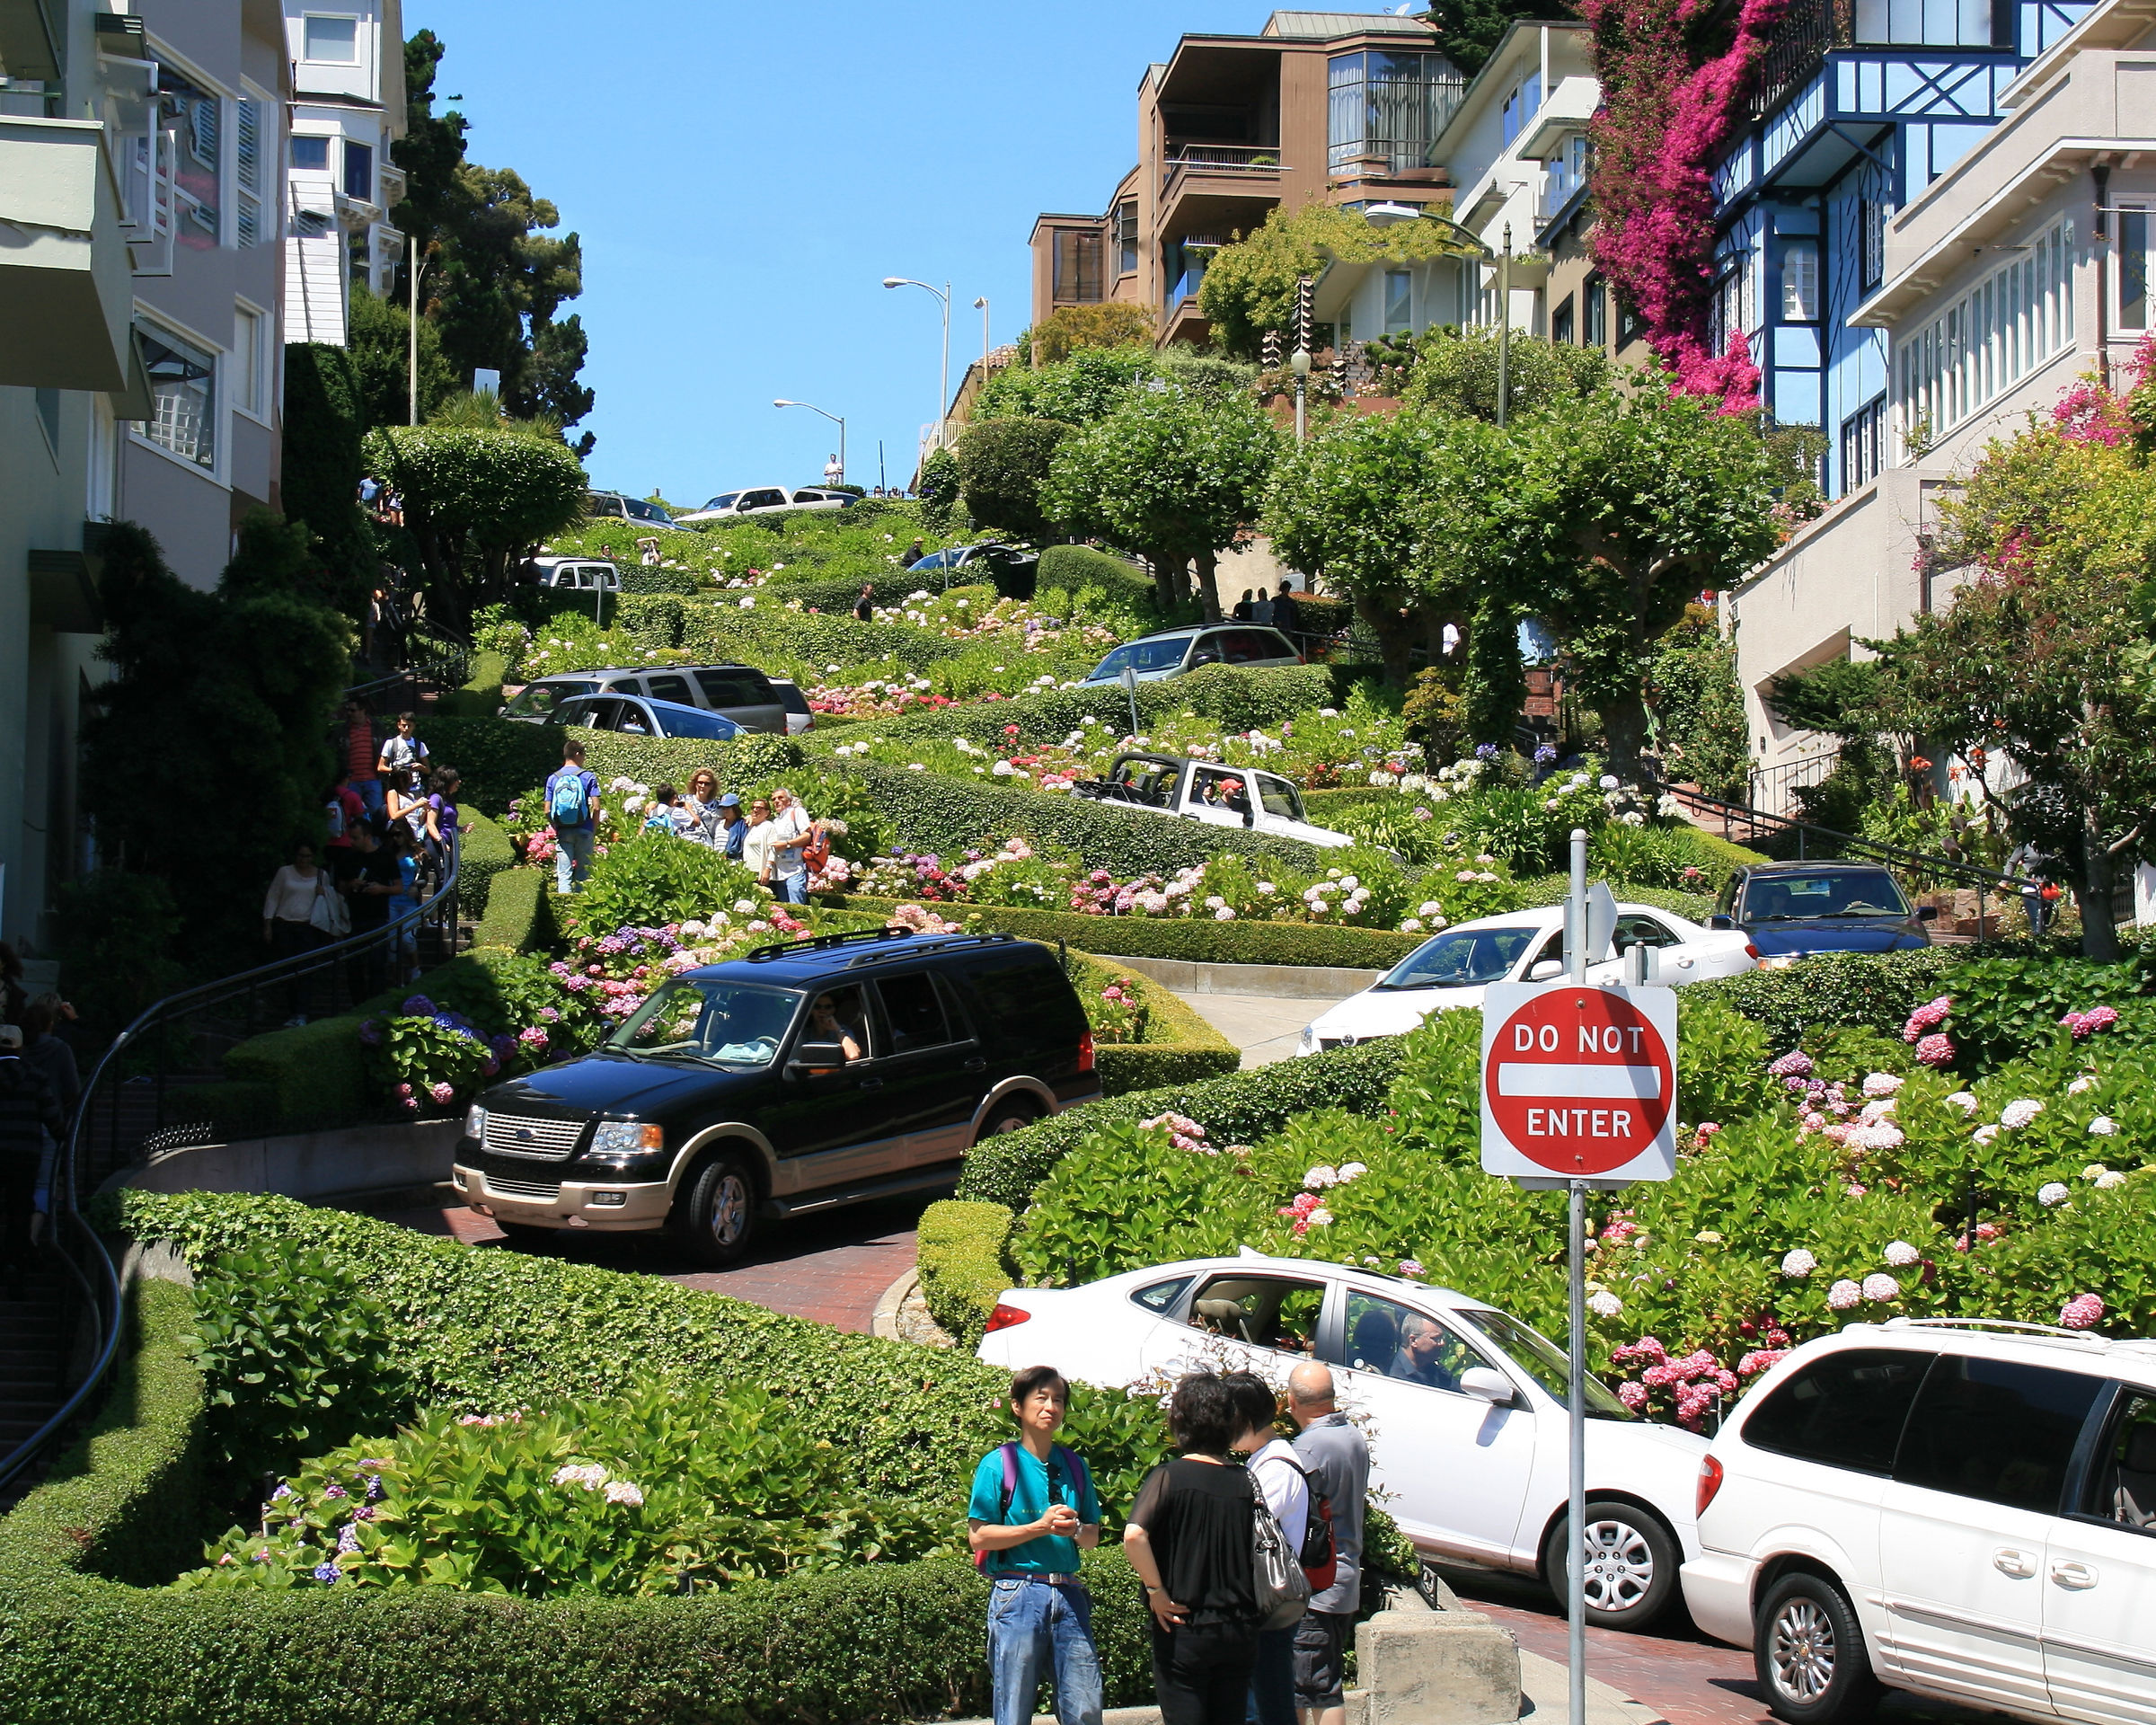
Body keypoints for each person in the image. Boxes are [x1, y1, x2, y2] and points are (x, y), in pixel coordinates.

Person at [968, 1365, 1106, 1725]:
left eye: (1058, 1400)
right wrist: (1039, 1527)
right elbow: (979, 1536)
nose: (1051, 1407)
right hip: (1017, 1593)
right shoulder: (998, 1465)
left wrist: (1073, 1530)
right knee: (1013, 1708)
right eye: (1041, 1398)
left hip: (1069, 1592)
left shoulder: (1075, 1465)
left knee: (1086, 1706)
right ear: (1017, 1406)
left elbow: (1091, 1537)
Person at [1124, 1372, 1262, 1725]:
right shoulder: (1245, 1480)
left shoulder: (1170, 1477)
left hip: (1185, 1625)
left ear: (1180, 1421)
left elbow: (1135, 1534)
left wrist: (1156, 1590)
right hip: (1238, 1627)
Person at [1287, 1363, 1366, 1725]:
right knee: (1324, 1681)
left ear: (1291, 1402)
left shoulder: (1308, 1448)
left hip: (1318, 1585)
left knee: (1312, 1691)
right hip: (1345, 1579)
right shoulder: (1351, 1436)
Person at [1227, 1375, 1309, 1725]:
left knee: (1265, 1707)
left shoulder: (1275, 1468)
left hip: (1269, 1604)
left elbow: (1247, 1530)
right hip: (1262, 1604)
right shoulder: (1263, 1460)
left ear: (1243, 1418)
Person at [0, 1025, 62, 1296]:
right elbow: (52, 1118)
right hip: (25, 1153)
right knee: (19, 1209)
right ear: (20, 1048)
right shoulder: (36, 1077)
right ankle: (15, 1264)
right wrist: (64, 1135)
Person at [261, 840, 330, 1026]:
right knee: (288, 970)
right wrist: (268, 923)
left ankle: (302, 1013)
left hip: (308, 927)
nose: (304, 860)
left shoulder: (321, 875)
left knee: (305, 970)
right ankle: (292, 1011)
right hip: (285, 925)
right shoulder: (285, 872)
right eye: (301, 856)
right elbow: (273, 897)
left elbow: (329, 901)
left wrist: (323, 893)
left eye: (307, 856)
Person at [546, 741, 602, 896]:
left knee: (564, 874)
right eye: (583, 755)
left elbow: (547, 810)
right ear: (578, 754)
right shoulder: (587, 776)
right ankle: (581, 914)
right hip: (585, 829)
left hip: (564, 831)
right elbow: (596, 807)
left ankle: (564, 909)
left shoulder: (553, 778)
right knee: (583, 874)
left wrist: (556, 826)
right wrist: (593, 828)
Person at [766, 786, 815, 905]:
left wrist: (787, 844)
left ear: (789, 800)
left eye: (780, 798)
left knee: (797, 909)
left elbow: (807, 836)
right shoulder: (776, 821)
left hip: (795, 871)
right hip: (779, 874)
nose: (776, 801)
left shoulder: (797, 812)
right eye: (774, 799)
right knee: (786, 913)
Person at [1390, 1312, 1458, 1390]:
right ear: (1413, 1341)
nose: (1442, 1343)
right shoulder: (1397, 1379)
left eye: (1442, 1338)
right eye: (1435, 1338)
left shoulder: (1431, 1366)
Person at [342, 703, 383, 818]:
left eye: (353, 710)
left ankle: (374, 836)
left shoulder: (377, 727)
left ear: (363, 710)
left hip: (373, 779)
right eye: (348, 710)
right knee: (352, 815)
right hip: (352, 781)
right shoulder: (344, 730)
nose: (349, 713)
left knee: (376, 814)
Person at [376, 711, 429, 784]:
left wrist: (421, 767)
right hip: (396, 786)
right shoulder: (391, 743)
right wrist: (397, 771)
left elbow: (428, 770)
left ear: (414, 726)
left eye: (409, 726)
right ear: (399, 725)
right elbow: (380, 767)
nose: (406, 728)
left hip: (415, 786)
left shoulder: (420, 745)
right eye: (404, 725)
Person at [677, 770, 724, 846]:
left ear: (712, 786)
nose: (702, 786)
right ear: (695, 783)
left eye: (707, 784)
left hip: (707, 848)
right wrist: (652, 804)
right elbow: (664, 807)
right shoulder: (682, 800)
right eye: (700, 782)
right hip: (685, 845)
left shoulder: (719, 806)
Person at [740, 796, 778, 886]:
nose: (755, 810)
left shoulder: (769, 827)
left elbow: (773, 850)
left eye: (759, 808)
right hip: (748, 872)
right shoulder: (750, 827)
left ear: (767, 812)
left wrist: (767, 869)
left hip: (760, 873)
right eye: (753, 807)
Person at [716, 792, 747, 860]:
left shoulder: (743, 825)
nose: (725, 811)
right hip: (718, 861)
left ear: (735, 808)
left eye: (728, 808)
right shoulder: (719, 824)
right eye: (723, 808)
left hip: (735, 862)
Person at [1269, 582, 1301, 648]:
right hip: (1277, 626)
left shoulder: (1291, 602)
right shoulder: (1275, 600)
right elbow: (1270, 613)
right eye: (1286, 589)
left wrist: (1293, 628)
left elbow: (1294, 616)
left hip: (1288, 627)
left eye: (1288, 589)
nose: (1287, 591)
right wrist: (1275, 621)